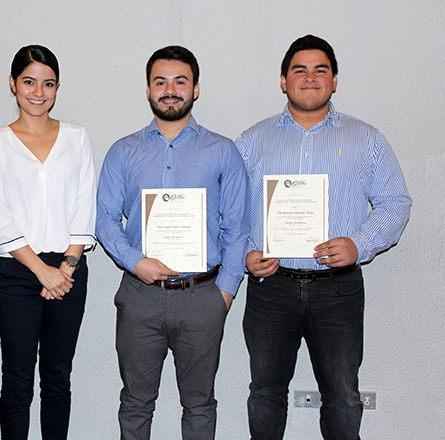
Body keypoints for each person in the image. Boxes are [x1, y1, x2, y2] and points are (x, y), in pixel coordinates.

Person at [235, 34, 411, 440]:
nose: (310, 78)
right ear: (283, 81)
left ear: (334, 81)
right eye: (300, 70)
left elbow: (395, 203)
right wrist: (246, 252)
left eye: (321, 70)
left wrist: (358, 244)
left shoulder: (367, 139)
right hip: (271, 287)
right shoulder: (252, 141)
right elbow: (231, 212)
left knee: (344, 396)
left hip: (338, 290)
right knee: (264, 394)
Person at [96, 45, 250, 440]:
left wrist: (226, 294)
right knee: (135, 402)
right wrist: (136, 262)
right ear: (147, 89)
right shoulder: (122, 151)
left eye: (180, 81)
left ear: (195, 89)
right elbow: (105, 221)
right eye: (160, 81)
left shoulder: (223, 151)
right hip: (140, 294)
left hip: (203, 295)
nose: (170, 89)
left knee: (199, 406)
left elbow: (237, 227)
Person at [0, 45, 96, 440]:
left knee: (58, 378)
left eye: (48, 83)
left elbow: (84, 204)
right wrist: (42, 271)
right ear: (13, 84)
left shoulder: (77, 137)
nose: (38, 92)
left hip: (68, 270)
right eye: (29, 81)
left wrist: (65, 268)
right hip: (18, 274)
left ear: (57, 87)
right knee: (16, 380)